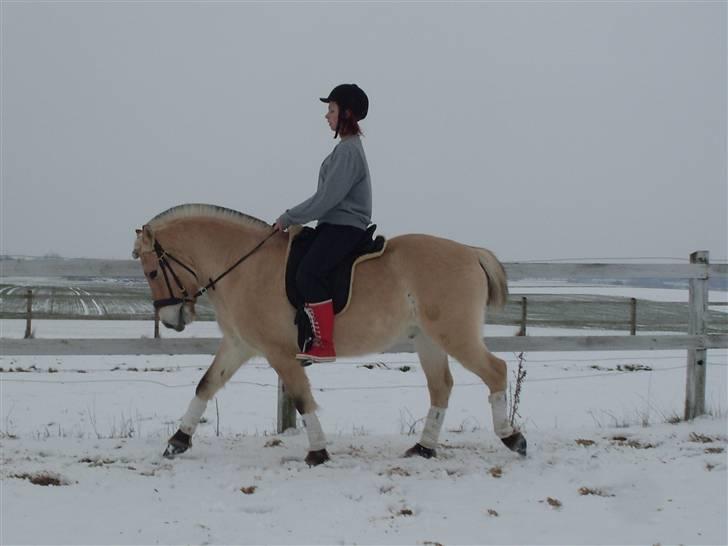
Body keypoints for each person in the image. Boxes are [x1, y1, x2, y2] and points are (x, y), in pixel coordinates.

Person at [274, 84, 372, 363]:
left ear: (347, 114)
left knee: (308, 273)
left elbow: (326, 199)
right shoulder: (345, 149)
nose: (326, 116)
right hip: (334, 224)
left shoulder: (348, 152)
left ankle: (324, 343)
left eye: (331, 109)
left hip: (344, 227)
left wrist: (288, 217)